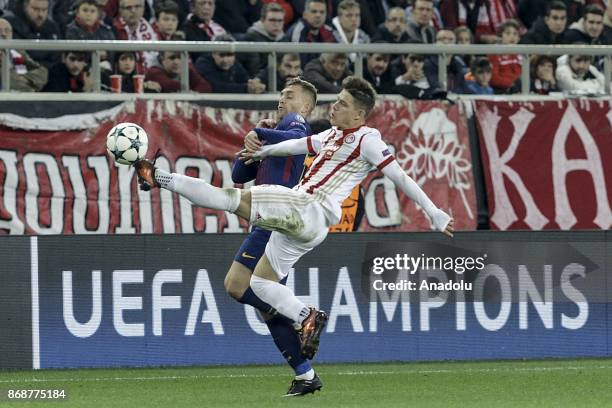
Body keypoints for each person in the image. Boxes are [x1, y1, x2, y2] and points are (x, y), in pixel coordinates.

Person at [134, 77, 454, 390]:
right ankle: (305, 317)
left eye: (343, 104)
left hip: (306, 207)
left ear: (359, 114)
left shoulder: (368, 139)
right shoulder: (331, 135)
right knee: (260, 283)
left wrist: (434, 212)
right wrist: (263, 154)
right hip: (310, 226)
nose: (336, 106)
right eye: (337, 99)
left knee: (228, 198)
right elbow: (297, 145)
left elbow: (400, 176)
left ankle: (156, 174)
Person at [226, 77, 320, 396]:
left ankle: (301, 314)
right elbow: (239, 175)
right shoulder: (275, 135)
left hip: (274, 218)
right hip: (268, 219)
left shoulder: (296, 124)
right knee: (267, 304)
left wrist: (261, 133)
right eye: (280, 95)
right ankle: (306, 376)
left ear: (305, 106)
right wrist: (254, 143)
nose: (282, 100)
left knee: (236, 285)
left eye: (290, 96)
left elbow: (298, 133)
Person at [195, 34, 266, 94]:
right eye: (221, 55)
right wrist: (246, 88)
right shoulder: (203, 64)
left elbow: (245, 80)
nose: (225, 60)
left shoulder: (235, 64)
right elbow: (215, 87)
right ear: (213, 54)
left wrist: (255, 86)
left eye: (229, 55)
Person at [5, 0, 60, 68]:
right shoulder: (10, 23)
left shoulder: (52, 27)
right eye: (35, 9)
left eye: (44, 10)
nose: (40, 14)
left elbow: (56, 58)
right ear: (25, 6)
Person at [0, 17, 48, 92]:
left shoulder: (16, 52)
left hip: (24, 97)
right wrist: (15, 79)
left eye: (7, 31)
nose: (3, 34)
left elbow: (42, 72)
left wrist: (26, 79)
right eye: (0, 31)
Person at [239, 2, 286, 77]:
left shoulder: (284, 38)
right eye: (272, 20)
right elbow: (254, 71)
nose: (276, 24)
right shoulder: (251, 38)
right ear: (262, 20)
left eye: (280, 20)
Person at [284, 0, 336, 67]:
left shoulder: (329, 31)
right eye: (314, 11)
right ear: (305, 14)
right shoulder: (298, 31)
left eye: (322, 12)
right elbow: (298, 66)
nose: (318, 15)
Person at [113, 0, 160, 70]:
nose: (133, 11)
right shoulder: (114, 30)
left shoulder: (153, 29)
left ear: (143, 9)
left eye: (137, 7)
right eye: (128, 8)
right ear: (120, 11)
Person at [146, 50, 211, 93]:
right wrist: (190, 93)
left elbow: (205, 86)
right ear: (162, 59)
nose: (176, 62)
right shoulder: (153, 72)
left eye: (180, 58)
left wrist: (194, 93)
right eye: (172, 58)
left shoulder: (186, 69)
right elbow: (172, 86)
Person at [489, 19, 522, 93]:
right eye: (508, 33)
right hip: (501, 91)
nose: (512, 37)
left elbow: (522, 76)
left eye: (515, 34)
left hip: (519, 90)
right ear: (501, 36)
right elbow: (494, 79)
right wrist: (511, 85)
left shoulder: (521, 54)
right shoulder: (494, 53)